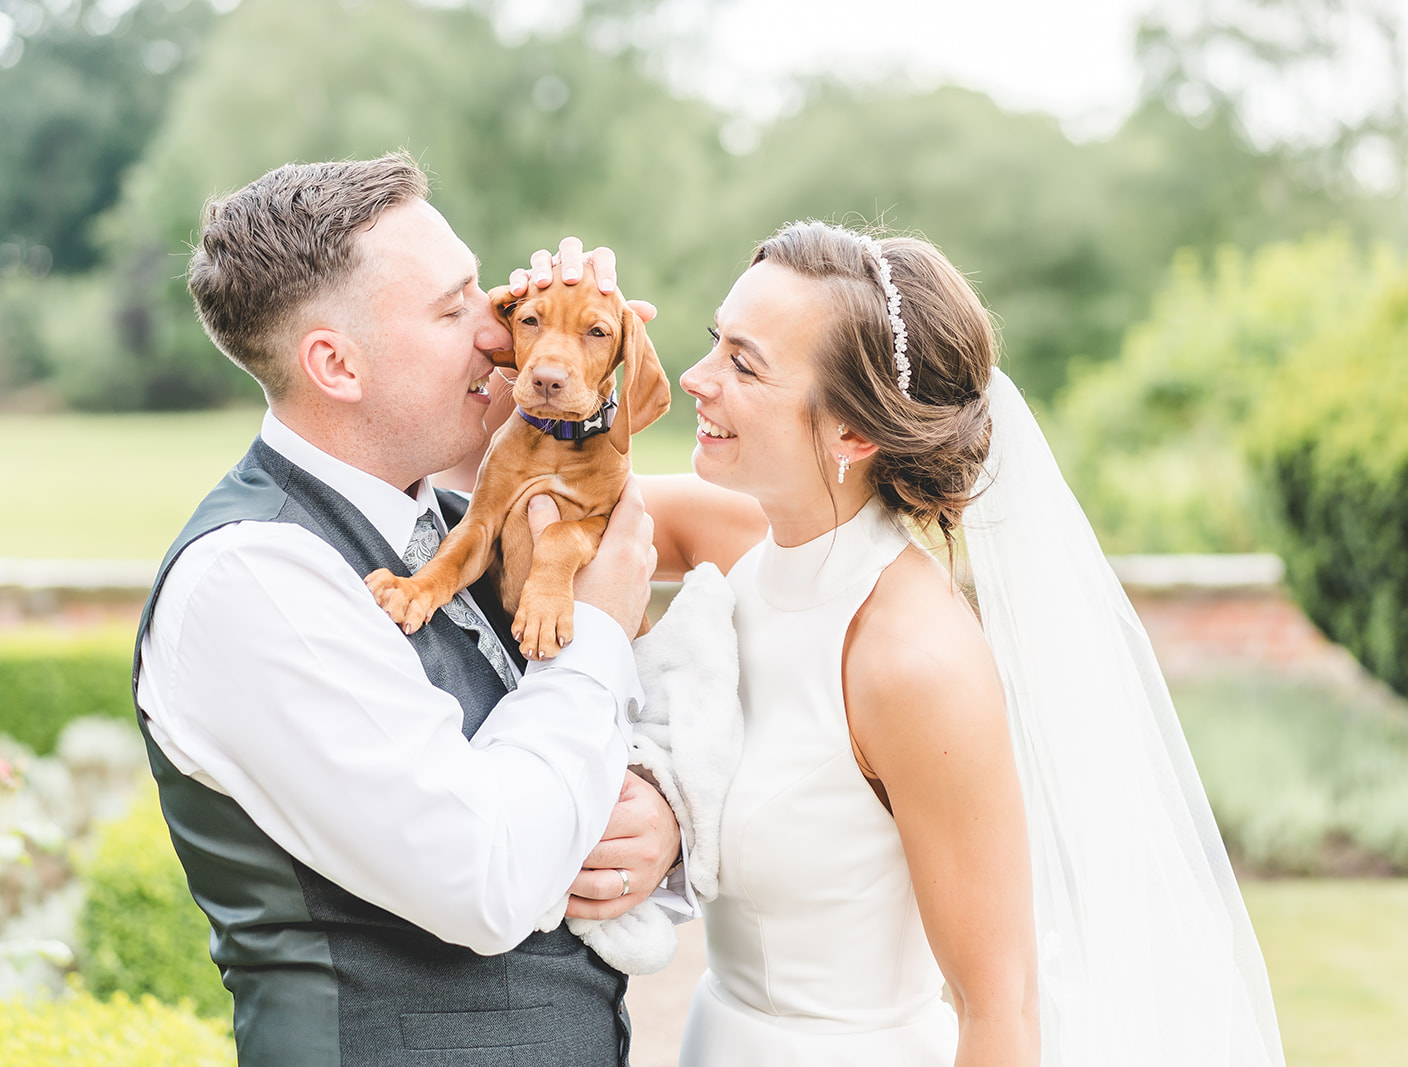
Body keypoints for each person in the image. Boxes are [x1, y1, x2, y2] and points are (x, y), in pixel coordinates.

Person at [517, 222, 1285, 1066]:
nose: (695, 379)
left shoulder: (915, 660)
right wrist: (533, 335)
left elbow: (1002, 1010)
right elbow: (527, 500)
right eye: (714, 343)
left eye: (744, 363)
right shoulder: (743, 538)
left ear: (853, 434)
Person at [131, 154, 685, 1067]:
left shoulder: (452, 514)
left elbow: (569, 771)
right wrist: (596, 636)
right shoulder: (255, 578)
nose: (498, 330)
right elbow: (486, 879)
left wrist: (649, 827)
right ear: (335, 364)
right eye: (455, 305)